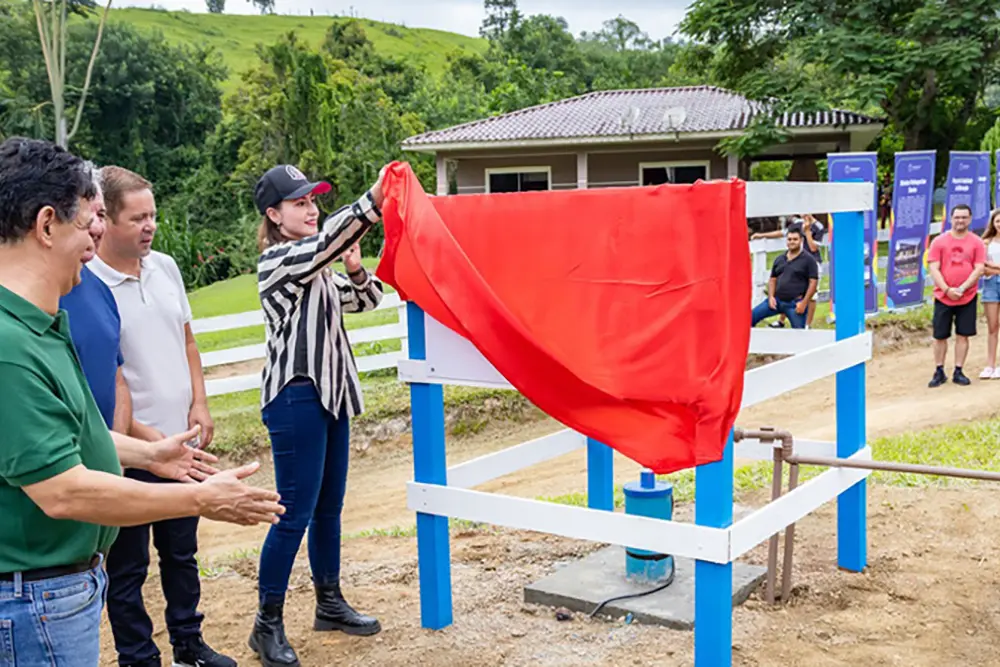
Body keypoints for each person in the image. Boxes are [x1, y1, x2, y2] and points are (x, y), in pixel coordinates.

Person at [0, 137, 284, 667]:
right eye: (87, 222)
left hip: (50, 595)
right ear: (45, 226)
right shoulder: (10, 348)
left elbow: (61, 442)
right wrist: (201, 499)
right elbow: (62, 491)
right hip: (32, 603)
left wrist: (151, 455)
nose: (96, 234)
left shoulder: (40, 324)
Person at [247, 163, 387, 667]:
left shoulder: (316, 266)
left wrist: (353, 266)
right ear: (274, 214)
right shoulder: (281, 261)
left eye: (314, 202)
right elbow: (330, 238)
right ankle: (267, 625)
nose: (312, 209)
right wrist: (375, 199)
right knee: (293, 514)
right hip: (296, 398)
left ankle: (329, 603)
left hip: (330, 397)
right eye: (300, 203)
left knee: (328, 510)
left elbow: (367, 300)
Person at [88, 166, 227, 667]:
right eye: (137, 218)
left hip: (180, 439)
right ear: (106, 220)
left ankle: (189, 643)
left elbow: (187, 340)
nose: (150, 226)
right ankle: (138, 655)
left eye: (153, 215)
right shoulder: (86, 284)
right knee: (128, 564)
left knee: (182, 554)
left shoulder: (165, 267)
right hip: (130, 448)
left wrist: (200, 403)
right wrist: (149, 442)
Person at [927, 204, 986, 387]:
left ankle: (959, 370)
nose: (960, 221)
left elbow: (979, 268)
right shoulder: (939, 241)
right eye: (957, 217)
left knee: (963, 335)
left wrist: (962, 288)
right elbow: (933, 267)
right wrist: (946, 289)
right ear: (951, 219)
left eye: (964, 217)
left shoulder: (977, 242)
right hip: (943, 297)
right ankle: (939, 370)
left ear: (969, 219)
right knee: (940, 336)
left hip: (967, 296)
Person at [752, 213, 826, 328]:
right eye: (789, 240)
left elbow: (813, 248)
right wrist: (761, 235)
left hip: (810, 262)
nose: (791, 241)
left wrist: (807, 231)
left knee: (812, 296)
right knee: (786, 283)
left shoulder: (818, 227)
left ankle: (807, 325)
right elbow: (783, 232)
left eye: (795, 239)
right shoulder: (797, 225)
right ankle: (781, 320)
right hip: (780, 295)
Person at [983, 209, 1000, 379]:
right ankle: (990, 364)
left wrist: (993, 267)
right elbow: (982, 268)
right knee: (993, 326)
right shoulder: (986, 243)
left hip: (993, 278)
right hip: (991, 286)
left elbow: (989, 266)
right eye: (998, 221)